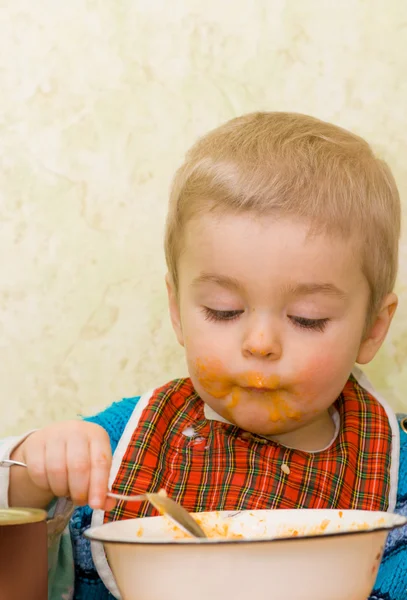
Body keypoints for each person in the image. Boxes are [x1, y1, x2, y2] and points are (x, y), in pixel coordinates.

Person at [1, 112, 406, 600]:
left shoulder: (392, 471)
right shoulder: (125, 441)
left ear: (373, 328)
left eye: (307, 318)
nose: (259, 343)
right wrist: (31, 476)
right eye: (223, 310)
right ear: (176, 311)